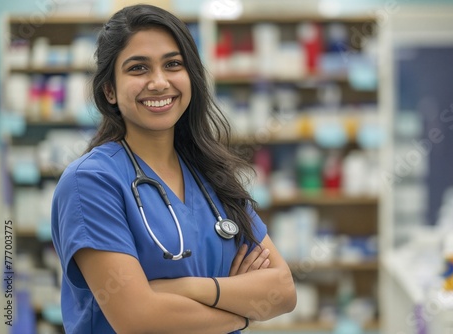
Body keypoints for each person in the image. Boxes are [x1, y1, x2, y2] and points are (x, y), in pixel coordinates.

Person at [51, 4, 296, 334]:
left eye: (173, 64)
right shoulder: (91, 183)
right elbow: (139, 320)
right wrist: (242, 313)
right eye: (138, 68)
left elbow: (282, 291)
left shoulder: (211, 175)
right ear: (109, 90)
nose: (159, 82)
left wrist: (186, 289)